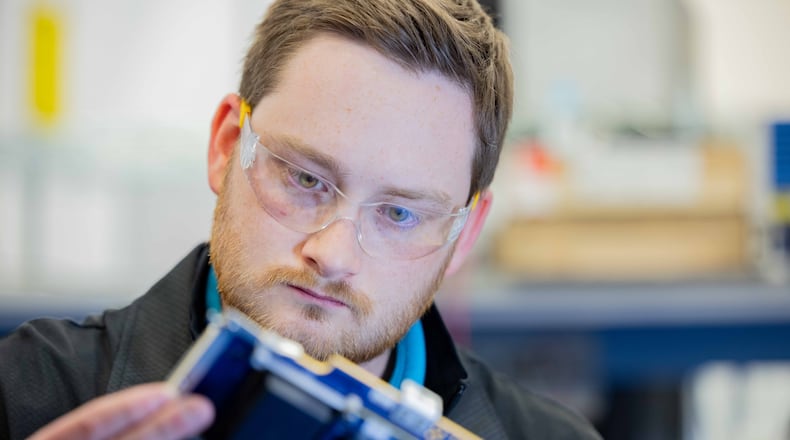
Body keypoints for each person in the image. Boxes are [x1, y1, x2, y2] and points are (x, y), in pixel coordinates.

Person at [0, 0, 602, 439]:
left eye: (398, 213)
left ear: (464, 234)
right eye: (306, 179)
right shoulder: (25, 396)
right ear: (227, 145)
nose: (334, 254)